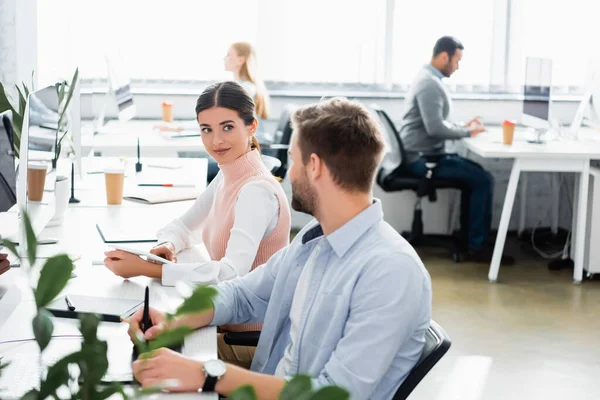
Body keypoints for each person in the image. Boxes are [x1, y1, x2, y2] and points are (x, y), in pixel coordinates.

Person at [127, 97, 432, 399]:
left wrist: (205, 374)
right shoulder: (317, 237)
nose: (288, 173)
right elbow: (243, 293)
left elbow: (332, 394)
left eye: (292, 158)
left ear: (313, 166)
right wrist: (175, 319)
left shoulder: (391, 271)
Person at [104, 82, 291, 366]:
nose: (216, 141)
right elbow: (184, 227)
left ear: (251, 127)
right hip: (222, 321)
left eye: (227, 127)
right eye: (207, 129)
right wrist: (168, 244)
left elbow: (230, 275)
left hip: (250, 339)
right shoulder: (228, 173)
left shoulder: (256, 190)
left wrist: (148, 269)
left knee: (137, 350)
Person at [399, 36, 513, 264]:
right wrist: (468, 132)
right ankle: (475, 245)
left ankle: (470, 238)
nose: (457, 66)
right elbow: (434, 128)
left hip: (426, 154)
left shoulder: (428, 78)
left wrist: (462, 127)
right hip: (423, 159)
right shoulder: (429, 83)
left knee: (476, 175)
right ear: (444, 56)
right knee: (482, 179)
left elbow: (438, 123)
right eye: (456, 60)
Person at [204, 43, 271, 183]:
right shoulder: (242, 86)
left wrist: (179, 128)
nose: (225, 58)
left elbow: (215, 119)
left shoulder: (243, 89)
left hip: (246, 157)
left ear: (241, 60)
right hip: (243, 154)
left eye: (229, 55)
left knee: (197, 168)